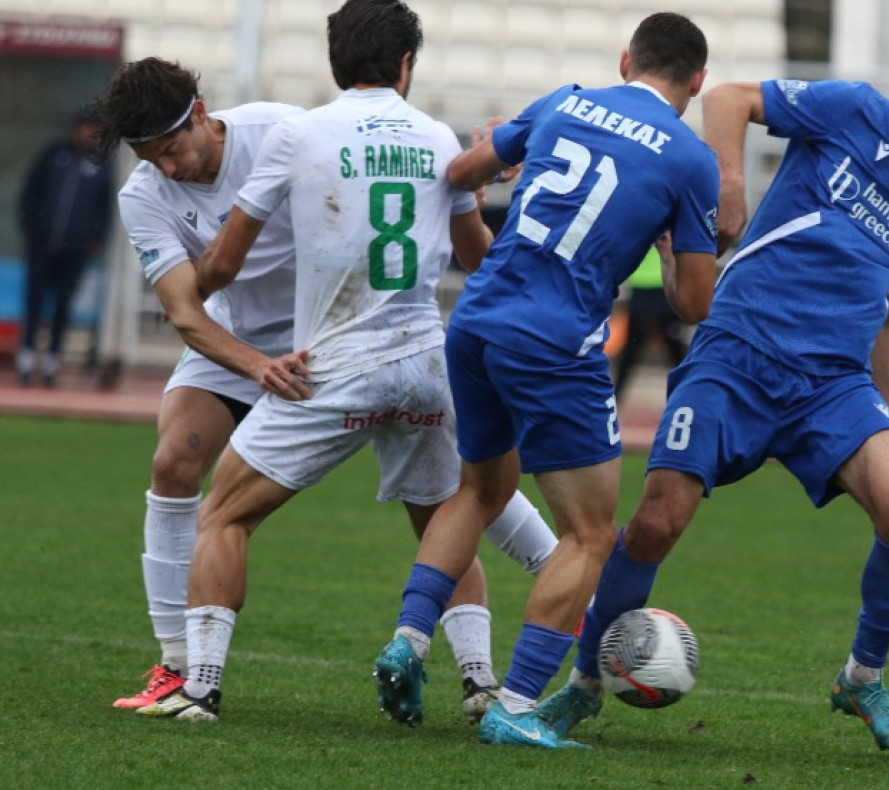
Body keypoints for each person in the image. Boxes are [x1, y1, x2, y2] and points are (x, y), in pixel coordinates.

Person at [536, 68, 889, 760]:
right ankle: (585, 681)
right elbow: (728, 97)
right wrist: (728, 184)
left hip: (833, 383)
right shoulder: (853, 110)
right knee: (656, 522)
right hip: (738, 353)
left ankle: (862, 679)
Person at [133, 0, 557, 722]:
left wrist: (194, 284)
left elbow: (227, 263)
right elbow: (474, 256)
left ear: (334, 61)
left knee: (224, 517)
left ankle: (199, 686)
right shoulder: (434, 135)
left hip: (329, 366)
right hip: (426, 358)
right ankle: (481, 685)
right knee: (446, 522)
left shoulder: (297, 134)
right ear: (404, 64)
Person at [372, 11, 718, 749]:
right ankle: (519, 701)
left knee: (480, 489)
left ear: (626, 61)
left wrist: (503, 159)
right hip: (556, 341)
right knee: (590, 534)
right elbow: (691, 302)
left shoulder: (563, 100)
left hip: (476, 317)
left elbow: (461, 175)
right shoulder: (691, 157)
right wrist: (673, 239)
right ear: (696, 82)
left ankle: (407, 637)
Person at [16, 109, 114, 387]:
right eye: (84, 127)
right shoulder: (53, 155)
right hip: (42, 245)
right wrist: (31, 229)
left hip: (75, 250)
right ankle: (25, 359)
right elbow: (30, 193)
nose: (87, 133)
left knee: (63, 304)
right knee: (34, 301)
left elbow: (104, 209)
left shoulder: (101, 164)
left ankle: (51, 362)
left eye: (93, 129)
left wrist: (96, 239)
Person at [612, 233, 690, 405]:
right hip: (654, 289)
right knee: (675, 357)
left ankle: (689, 398)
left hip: (654, 289)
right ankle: (689, 400)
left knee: (633, 355)